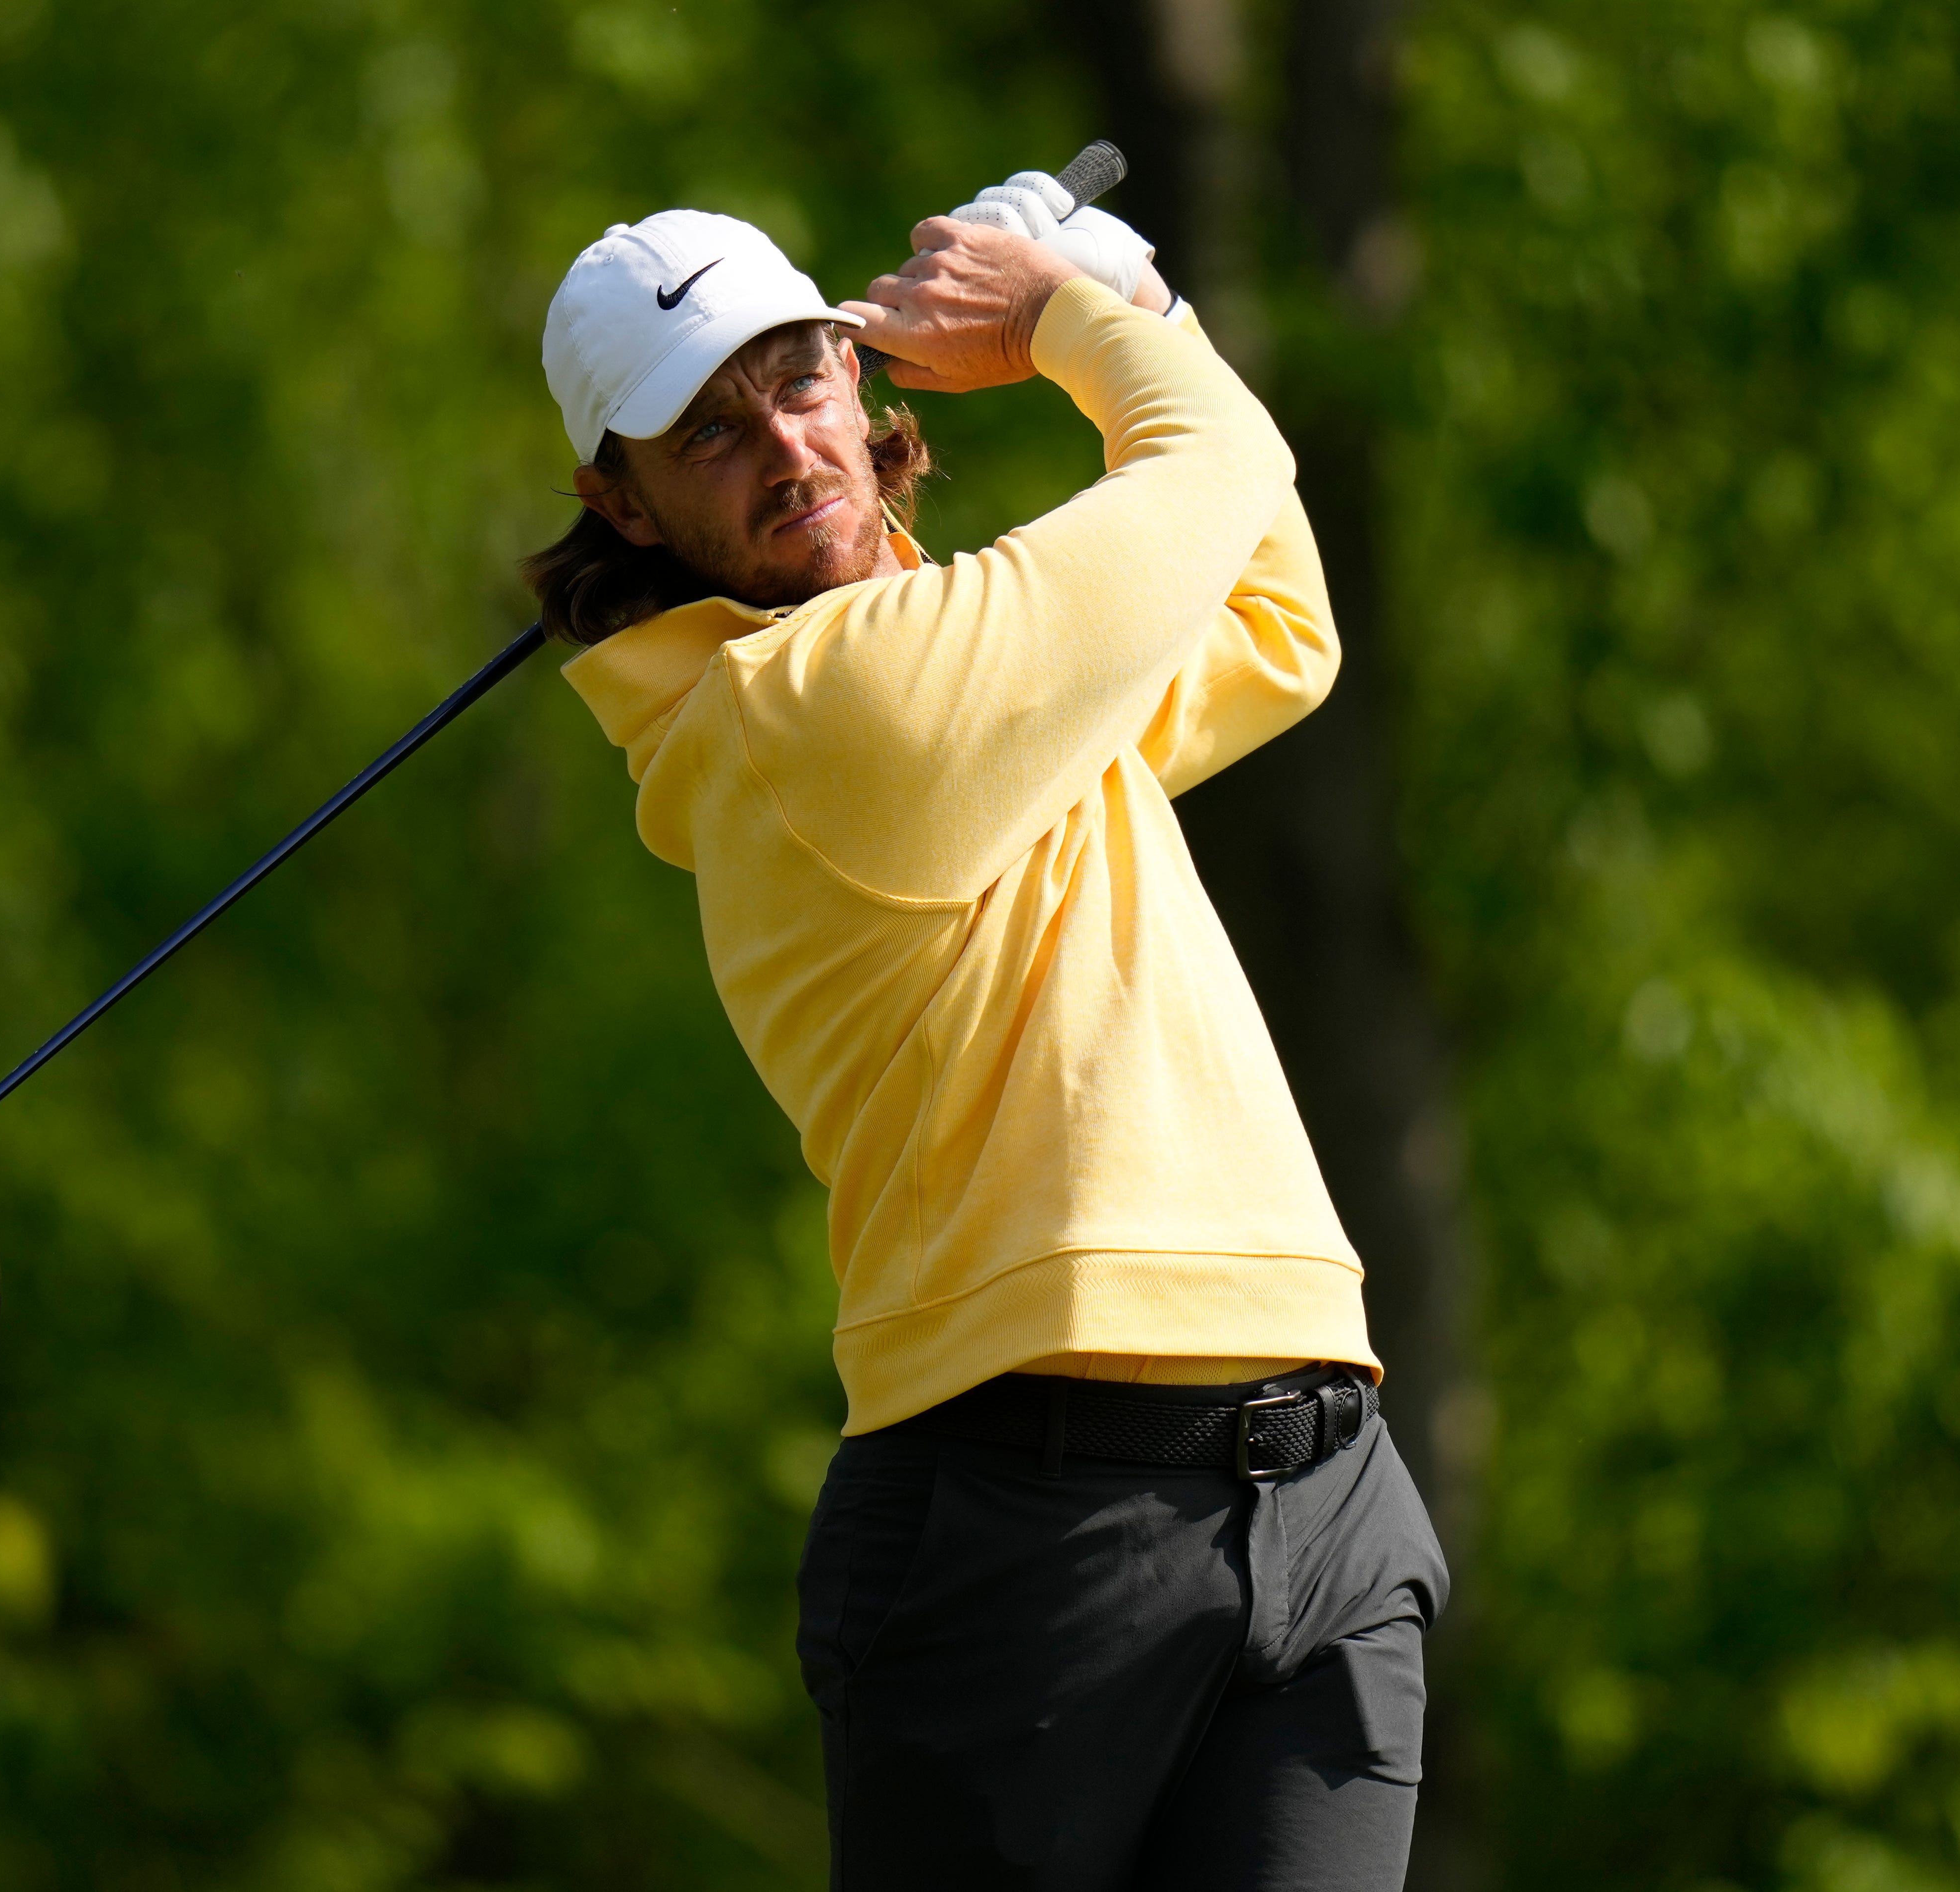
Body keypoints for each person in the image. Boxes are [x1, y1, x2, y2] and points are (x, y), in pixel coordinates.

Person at [528, 175, 1447, 1891]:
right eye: (706, 436)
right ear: (623, 503)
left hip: (1323, 1480)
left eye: (796, 382)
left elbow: (1272, 624)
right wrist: (1077, 313)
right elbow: (1216, 473)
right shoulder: (820, 709)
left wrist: (1124, 314)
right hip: (1026, 1533)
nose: (784, 448)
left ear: (862, 389)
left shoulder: (995, 693)